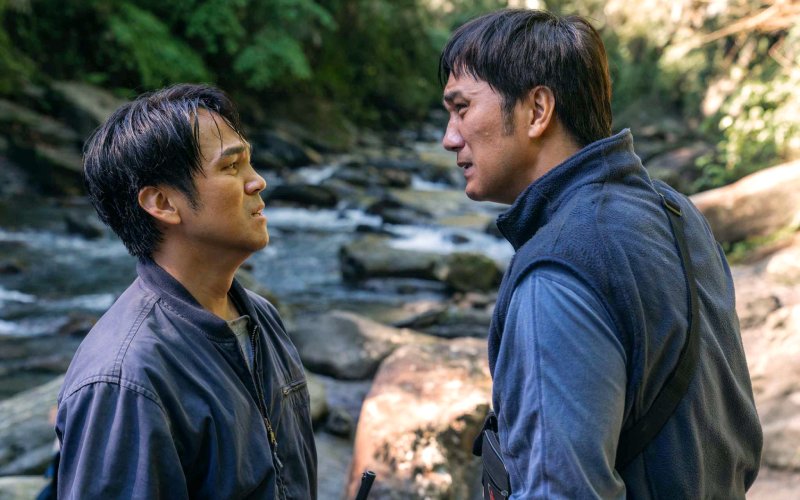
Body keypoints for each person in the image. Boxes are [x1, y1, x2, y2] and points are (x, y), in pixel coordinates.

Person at [439, 9, 762, 499]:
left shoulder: (558, 271)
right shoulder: (675, 212)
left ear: (538, 110)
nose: (449, 138)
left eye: (462, 108)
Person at [55, 84, 316, 498]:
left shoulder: (259, 316)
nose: (257, 181)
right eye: (232, 167)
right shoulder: (126, 377)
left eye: (249, 162)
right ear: (162, 203)